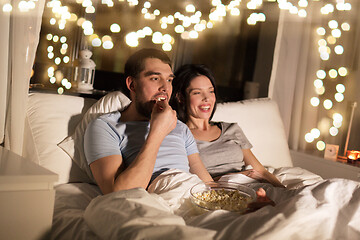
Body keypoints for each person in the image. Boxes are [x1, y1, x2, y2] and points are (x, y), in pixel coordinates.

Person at [84, 48, 213, 195]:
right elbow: (118, 195)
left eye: (169, 80)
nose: (165, 88)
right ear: (132, 85)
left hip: (190, 199)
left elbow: (207, 184)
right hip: (149, 204)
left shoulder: (180, 127)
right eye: (155, 78)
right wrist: (158, 131)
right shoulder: (106, 127)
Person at [169, 64, 285, 188]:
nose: (207, 98)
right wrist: (237, 176)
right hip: (222, 192)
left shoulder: (231, 129)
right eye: (197, 93)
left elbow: (261, 171)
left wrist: (285, 192)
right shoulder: (181, 136)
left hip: (254, 186)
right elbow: (196, 181)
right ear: (180, 97)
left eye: (211, 91)